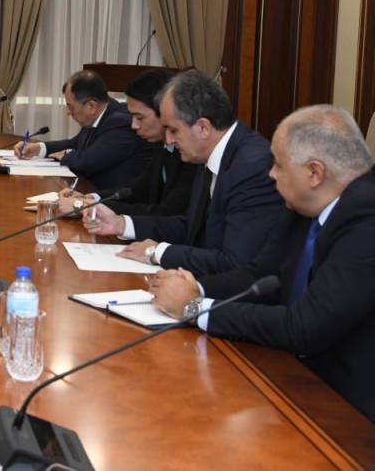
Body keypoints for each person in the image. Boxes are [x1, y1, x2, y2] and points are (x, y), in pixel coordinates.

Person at [149, 105, 375, 421]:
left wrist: (195, 308)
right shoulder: (306, 204)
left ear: (314, 173)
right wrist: (194, 287)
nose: (271, 174)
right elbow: (261, 276)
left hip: (347, 409)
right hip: (290, 373)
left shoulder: (367, 221)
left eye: (278, 165)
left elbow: (305, 327)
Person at [85, 69, 283, 277]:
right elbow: (190, 226)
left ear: (203, 128)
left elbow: (236, 263)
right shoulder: (208, 152)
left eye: (173, 130)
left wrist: (158, 253)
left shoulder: (251, 167)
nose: (169, 140)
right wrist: (121, 224)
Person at [58, 69, 199, 216]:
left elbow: (167, 213)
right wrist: (91, 199)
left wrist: (89, 207)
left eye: (140, 117)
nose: (134, 125)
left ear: (163, 112)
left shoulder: (191, 154)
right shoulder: (162, 145)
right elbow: (137, 191)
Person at [14, 70, 152, 191]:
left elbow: (88, 161)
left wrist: (65, 155)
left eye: (71, 107)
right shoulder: (99, 116)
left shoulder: (121, 122)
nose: (68, 112)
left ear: (91, 106)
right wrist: (39, 148)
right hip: (91, 192)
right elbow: (75, 143)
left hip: (115, 202)